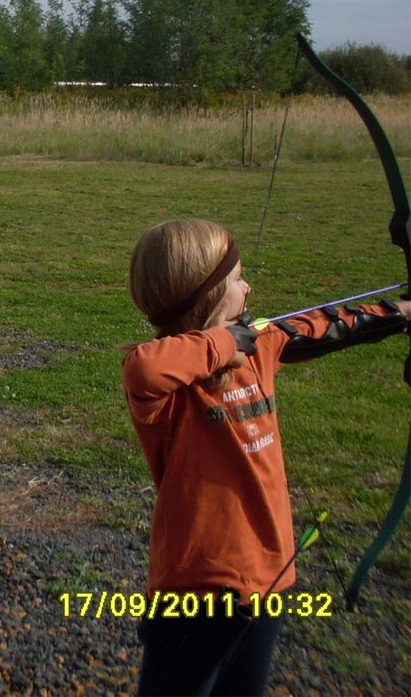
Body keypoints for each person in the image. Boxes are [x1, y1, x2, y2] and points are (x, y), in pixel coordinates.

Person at [121, 218, 410, 696]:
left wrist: (401, 312)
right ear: (204, 294)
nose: (248, 286)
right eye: (236, 280)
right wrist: (227, 343)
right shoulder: (166, 382)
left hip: (271, 574)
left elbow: (326, 326)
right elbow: (145, 367)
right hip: (199, 584)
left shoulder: (261, 345)